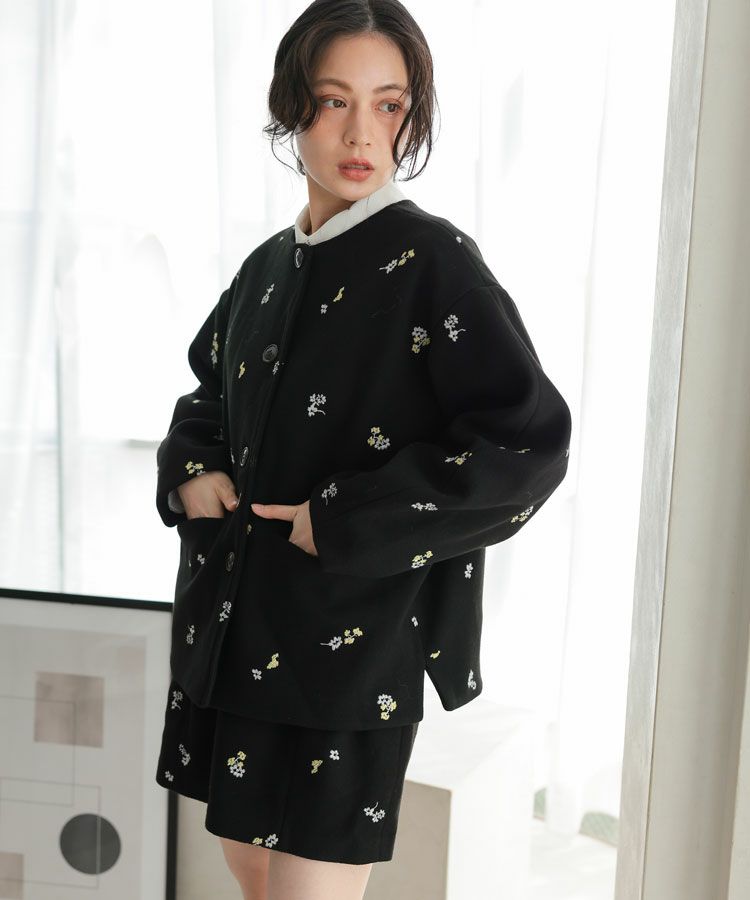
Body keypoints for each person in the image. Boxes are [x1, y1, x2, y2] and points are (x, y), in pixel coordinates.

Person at [154, 2, 572, 898]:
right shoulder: (266, 267)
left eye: (389, 105)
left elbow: (527, 444)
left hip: (349, 653)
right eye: (334, 99)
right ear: (290, 107)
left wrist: (346, 521)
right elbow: (208, 390)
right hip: (233, 634)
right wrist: (193, 470)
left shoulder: (435, 261)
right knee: (251, 876)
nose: (361, 134)